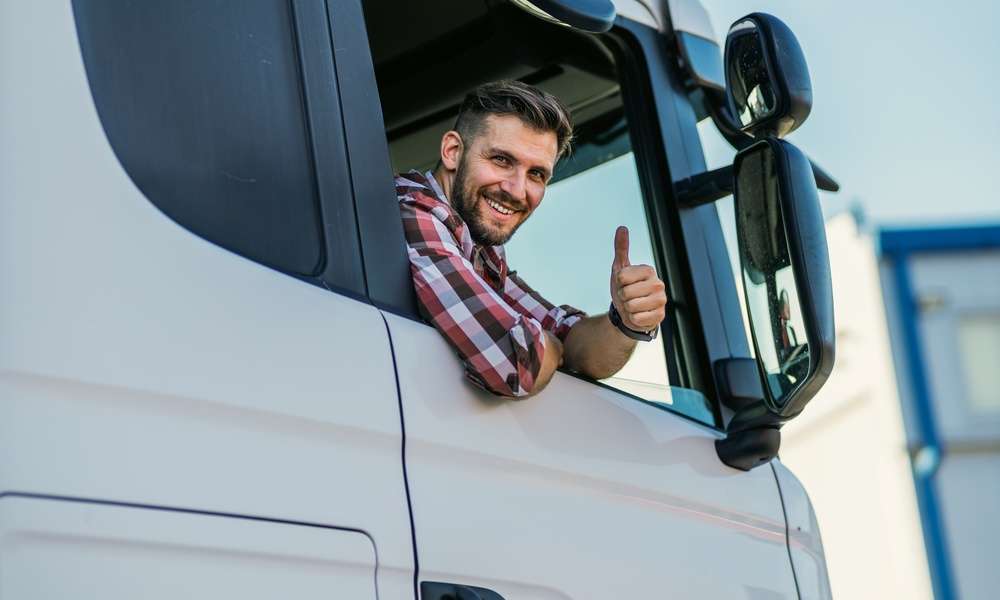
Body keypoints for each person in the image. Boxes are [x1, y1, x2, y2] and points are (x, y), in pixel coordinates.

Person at [397, 80, 668, 398]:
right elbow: (517, 363)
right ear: (453, 152)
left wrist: (627, 321)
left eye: (536, 174)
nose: (516, 190)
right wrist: (552, 347)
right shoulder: (412, 209)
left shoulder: (481, 249)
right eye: (501, 160)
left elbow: (573, 339)